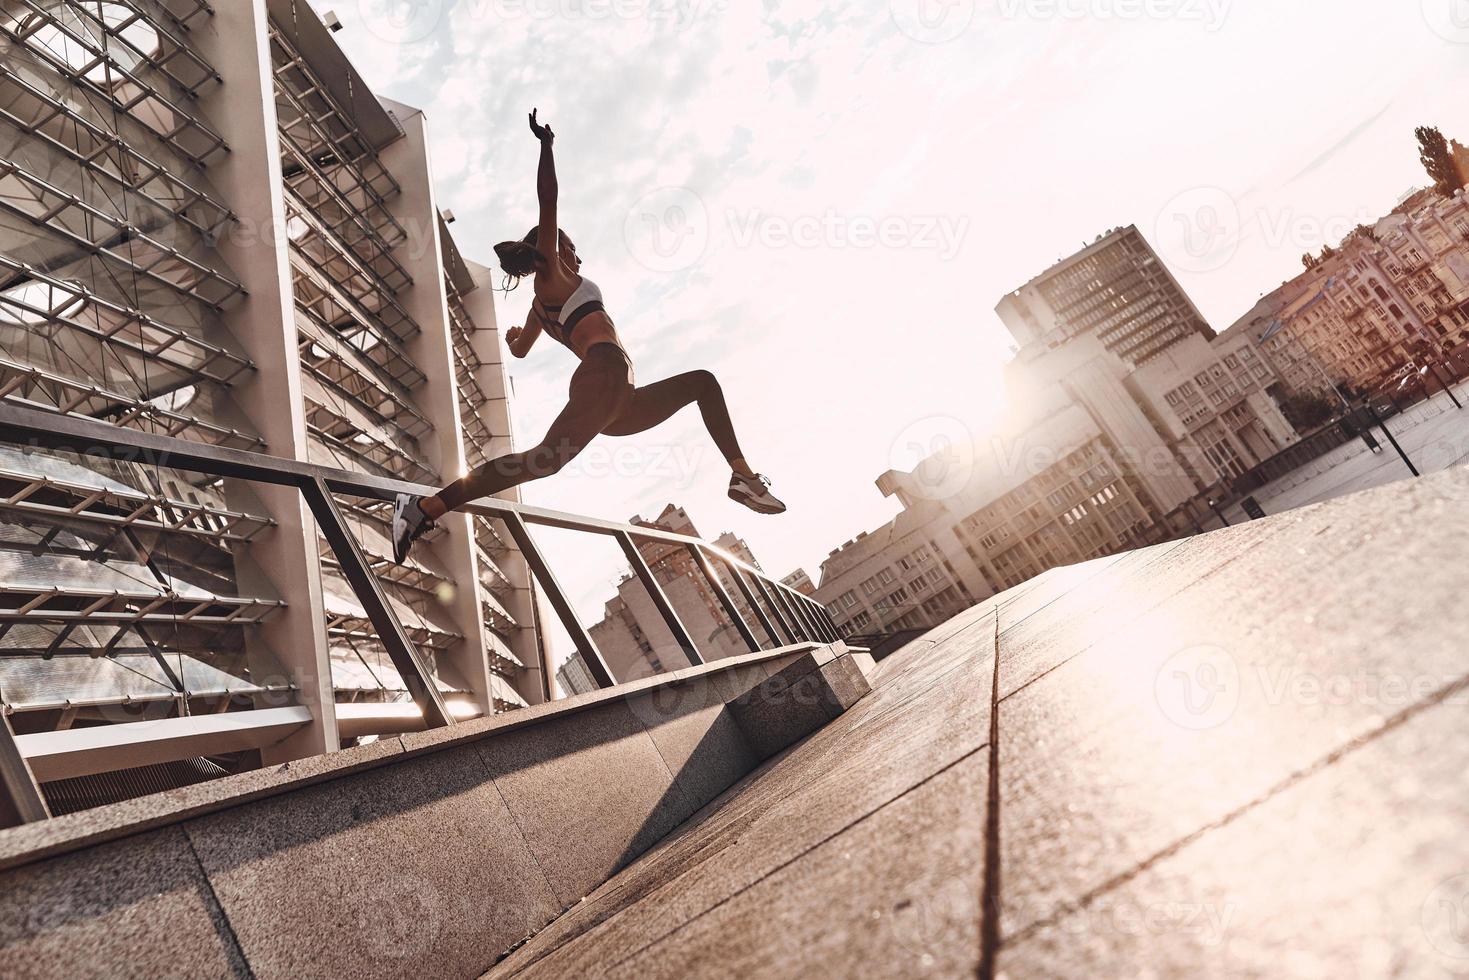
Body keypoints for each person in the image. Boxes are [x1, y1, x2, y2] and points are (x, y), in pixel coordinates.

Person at [392, 109, 785, 562]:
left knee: (702, 383)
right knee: (542, 461)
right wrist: (546, 146)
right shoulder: (554, 281)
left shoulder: (541, 306)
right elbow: (548, 199)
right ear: (553, 251)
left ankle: (742, 478)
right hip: (604, 378)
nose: (578, 258)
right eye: (572, 250)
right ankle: (425, 507)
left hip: (620, 404)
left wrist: (517, 337)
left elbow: (519, 351)